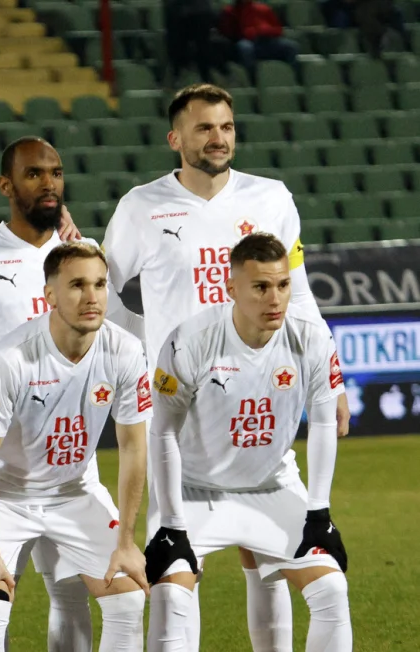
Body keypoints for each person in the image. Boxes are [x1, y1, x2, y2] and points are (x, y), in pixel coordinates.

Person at [102, 83, 350, 652]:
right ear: (176, 138)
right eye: (204, 128)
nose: (218, 138)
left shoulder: (270, 198)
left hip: (258, 385)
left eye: (227, 127)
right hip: (180, 397)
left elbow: (301, 293)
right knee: (174, 566)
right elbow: (113, 300)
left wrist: (331, 374)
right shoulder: (141, 206)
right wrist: (140, 367)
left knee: (266, 554)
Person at [0, 136, 140, 652]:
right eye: (35, 174)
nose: (49, 184)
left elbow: (118, 335)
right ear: (6, 185)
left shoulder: (82, 259)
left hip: (71, 474)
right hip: (0, 475)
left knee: (75, 597)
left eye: (56, 173)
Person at [145, 233, 352, 651]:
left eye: (283, 285)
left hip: (272, 485)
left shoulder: (311, 337)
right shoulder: (190, 340)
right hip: (195, 491)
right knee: (169, 596)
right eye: (260, 287)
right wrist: (170, 522)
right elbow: (162, 431)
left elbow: (325, 424)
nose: (275, 298)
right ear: (231, 289)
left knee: (332, 592)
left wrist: (319, 511)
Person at [0, 241, 151, 651]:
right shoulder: (10, 358)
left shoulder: (126, 351)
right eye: (77, 285)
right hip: (6, 497)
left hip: (74, 493)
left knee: (129, 596)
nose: (92, 297)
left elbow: (134, 447)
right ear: (49, 295)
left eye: (100, 284)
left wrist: (127, 541)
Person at [217, 0, 299, 80]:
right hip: (248, 42)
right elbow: (227, 32)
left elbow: (278, 30)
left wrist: (265, 30)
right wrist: (245, 33)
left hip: (268, 41)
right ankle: (253, 81)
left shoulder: (263, 9)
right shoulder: (230, 11)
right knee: (245, 48)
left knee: (291, 46)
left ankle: (296, 79)